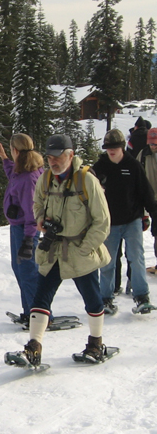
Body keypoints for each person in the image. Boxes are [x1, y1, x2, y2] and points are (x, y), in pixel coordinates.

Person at [6, 134, 111, 366]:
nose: (53, 161)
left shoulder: (87, 181)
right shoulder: (45, 179)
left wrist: (86, 248)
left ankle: (96, 343)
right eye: (50, 157)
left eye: (58, 157)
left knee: (92, 298)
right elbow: (37, 204)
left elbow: (102, 221)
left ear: (70, 155)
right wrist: (41, 218)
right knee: (41, 297)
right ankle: (33, 347)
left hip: (80, 249)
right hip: (53, 248)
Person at [93, 128, 157, 314]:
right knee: (107, 261)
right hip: (109, 223)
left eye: (114, 147)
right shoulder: (99, 168)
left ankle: (141, 296)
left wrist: (152, 213)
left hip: (132, 220)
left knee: (136, 258)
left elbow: (146, 192)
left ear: (122, 147)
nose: (111, 151)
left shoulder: (133, 165)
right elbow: (89, 196)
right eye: (108, 147)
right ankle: (105, 298)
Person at [0, 134, 44, 323]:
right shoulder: (22, 170)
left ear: (16, 150)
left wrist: (29, 240)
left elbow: (32, 214)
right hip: (19, 228)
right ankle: (30, 311)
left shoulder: (28, 178)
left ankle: (39, 314)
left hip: (26, 230)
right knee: (20, 268)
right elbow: (12, 176)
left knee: (28, 271)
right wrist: (4, 158)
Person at [136, 127, 157, 274]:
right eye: (152, 143)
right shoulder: (143, 155)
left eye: (156, 143)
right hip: (151, 201)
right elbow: (137, 178)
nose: (153, 146)